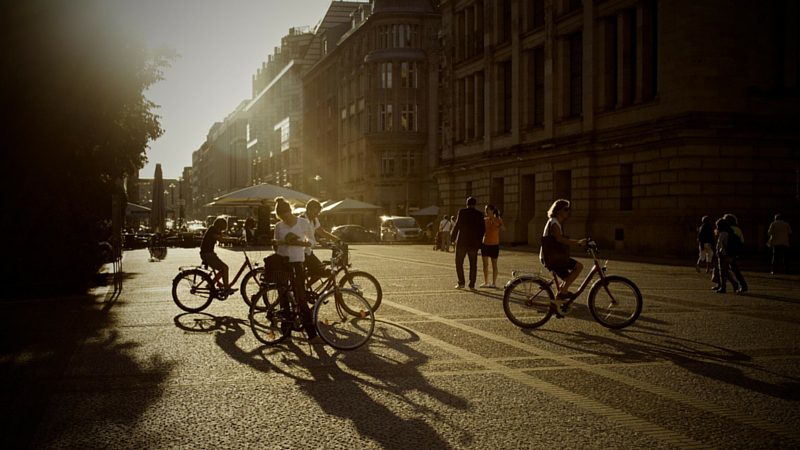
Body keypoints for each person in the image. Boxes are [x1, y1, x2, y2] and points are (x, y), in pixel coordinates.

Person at [273, 197, 321, 343]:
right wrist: (281, 242)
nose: (285, 220)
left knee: (300, 297)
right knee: (283, 297)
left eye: (286, 216)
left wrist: (304, 243)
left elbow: (312, 241)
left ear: (290, 211)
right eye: (282, 217)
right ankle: (286, 333)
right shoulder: (279, 226)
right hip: (282, 262)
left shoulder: (303, 223)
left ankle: (312, 335)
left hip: (297, 262)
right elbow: (275, 245)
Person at [539, 199, 587, 301]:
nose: (568, 211)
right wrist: (578, 243)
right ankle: (563, 292)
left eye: (568, 209)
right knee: (579, 266)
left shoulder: (556, 222)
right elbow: (559, 239)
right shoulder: (554, 223)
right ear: (558, 210)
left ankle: (559, 299)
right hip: (551, 257)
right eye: (565, 209)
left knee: (567, 278)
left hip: (553, 256)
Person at [450, 196, 485, 290]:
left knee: (459, 262)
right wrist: (479, 242)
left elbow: (457, 226)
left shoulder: (462, 212)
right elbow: (482, 230)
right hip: (473, 243)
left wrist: (452, 239)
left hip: (462, 242)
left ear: (467, 204)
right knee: (473, 265)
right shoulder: (479, 214)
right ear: (475, 204)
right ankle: (472, 285)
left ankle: (461, 283)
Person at [302, 198, 339, 283]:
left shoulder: (314, 220)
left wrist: (337, 239)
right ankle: (302, 291)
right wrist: (318, 240)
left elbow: (321, 231)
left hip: (308, 252)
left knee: (319, 271)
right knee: (320, 270)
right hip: (301, 253)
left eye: (318, 213)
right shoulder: (302, 219)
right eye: (315, 213)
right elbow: (301, 235)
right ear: (308, 209)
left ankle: (306, 288)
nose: (316, 215)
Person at [200, 217, 235, 295]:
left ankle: (210, 284)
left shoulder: (213, 229)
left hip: (208, 254)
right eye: (222, 229)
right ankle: (226, 289)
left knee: (222, 269)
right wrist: (234, 240)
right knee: (225, 268)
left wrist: (234, 238)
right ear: (219, 227)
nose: (221, 231)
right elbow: (221, 240)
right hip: (207, 254)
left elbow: (223, 237)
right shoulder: (212, 230)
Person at [713, 217, 740, 294]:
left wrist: (718, 252)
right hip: (729, 254)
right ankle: (734, 284)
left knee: (722, 272)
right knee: (725, 271)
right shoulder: (729, 232)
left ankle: (723, 287)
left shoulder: (722, 234)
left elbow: (720, 244)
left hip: (723, 255)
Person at [480, 205, 503, 288]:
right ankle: (486, 282)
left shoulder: (498, 219)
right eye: (485, 210)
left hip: (494, 244)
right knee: (485, 265)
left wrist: (494, 221)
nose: (486, 212)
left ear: (493, 211)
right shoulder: (484, 220)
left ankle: (494, 283)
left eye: (488, 210)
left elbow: (503, 228)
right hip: (485, 244)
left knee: (494, 264)